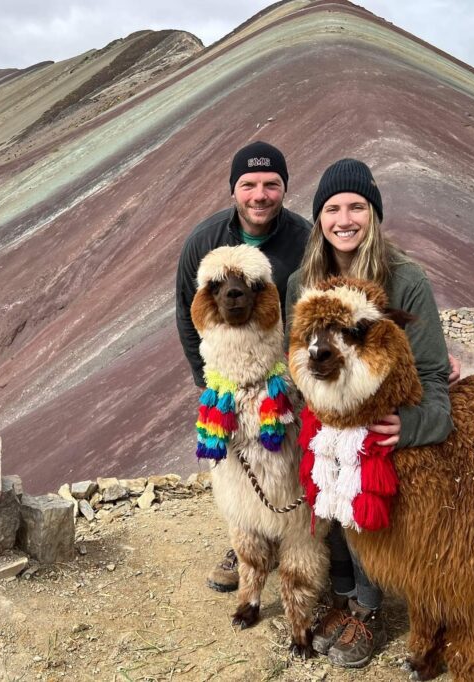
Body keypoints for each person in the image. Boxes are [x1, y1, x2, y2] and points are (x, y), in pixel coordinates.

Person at [285, 158, 458, 669]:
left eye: (357, 207)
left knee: (367, 505)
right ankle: (344, 594)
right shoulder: (302, 282)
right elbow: (295, 357)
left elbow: (431, 373)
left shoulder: (405, 280)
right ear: (319, 219)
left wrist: (413, 427)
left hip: (380, 429)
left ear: (373, 214)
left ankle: (371, 606)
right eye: (332, 208)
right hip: (326, 422)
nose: (345, 219)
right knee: (327, 505)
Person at [175, 141, 311, 592]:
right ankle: (245, 545)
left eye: (271, 184)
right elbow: (187, 311)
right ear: (234, 189)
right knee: (235, 468)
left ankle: (299, 546)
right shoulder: (205, 241)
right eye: (248, 184)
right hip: (228, 382)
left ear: (284, 188)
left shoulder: (305, 241)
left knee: (286, 467)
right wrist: (209, 381)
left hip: (286, 380)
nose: (260, 195)